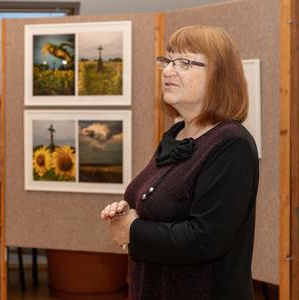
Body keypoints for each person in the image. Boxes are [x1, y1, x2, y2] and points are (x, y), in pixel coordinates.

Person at [100, 25, 259, 300]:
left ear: (218, 77)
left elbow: (204, 239)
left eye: (184, 62)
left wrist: (133, 229)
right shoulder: (176, 136)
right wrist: (127, 210)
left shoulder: (231, 144)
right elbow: (165, 204)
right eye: (168, 60)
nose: (168, 70)